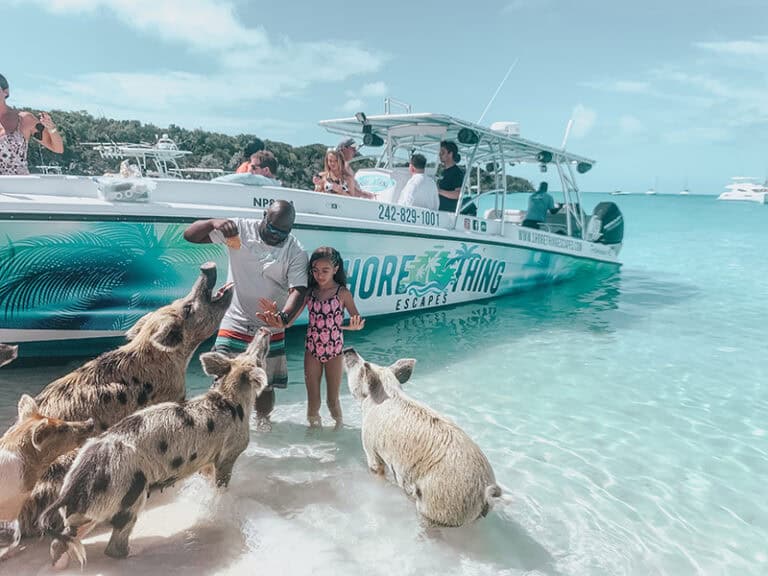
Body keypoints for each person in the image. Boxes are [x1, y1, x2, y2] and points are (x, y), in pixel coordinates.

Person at [183, 200, 309, 429]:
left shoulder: (296, 251)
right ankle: (220, 426)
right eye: (271, 229)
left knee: (264, 384)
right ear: (264, 216)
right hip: (235, 318)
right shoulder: (240, 229)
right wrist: (214, 222)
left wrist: (284, 318)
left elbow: (299, 290)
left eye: (283, 232)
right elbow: (190, 236)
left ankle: (263, 424)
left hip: (270, 323)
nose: (275, 235)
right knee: (222, 375)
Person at [267, 246, 364, 429]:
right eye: (315, 270)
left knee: (332, 400)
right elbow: (289, 322)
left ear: (335, 269)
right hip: (312, 350)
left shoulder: (342, 293)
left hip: (335, 352)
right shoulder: (309, 293)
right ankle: (313, 434)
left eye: (325, 271)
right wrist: (277, 317)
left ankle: (339, 430)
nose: (319, 275)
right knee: (313, 401)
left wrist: (354, 326)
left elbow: (356, 320)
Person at [0, 73, 63, 175]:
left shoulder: (24, 119)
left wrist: (51, 128)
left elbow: (58, 148)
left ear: (5, 92)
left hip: (19, 187)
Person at [436, 140, 464, 212]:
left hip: (449, 214)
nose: (440, 154)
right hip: (439, 211)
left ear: (450, 154)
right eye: (440, 152)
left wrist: (439, 191)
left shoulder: (457, 173)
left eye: (442, 152)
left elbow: (458, 194)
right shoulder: (442, 172)